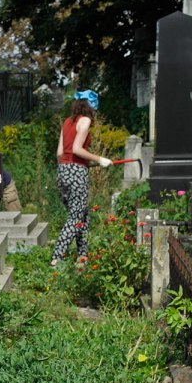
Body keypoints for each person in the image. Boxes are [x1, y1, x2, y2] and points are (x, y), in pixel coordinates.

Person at [50, 89, 114, 267]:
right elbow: (77, 149)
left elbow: (60, 153)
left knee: (82, 215)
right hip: (76, 174)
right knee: (75, 216)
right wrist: (99, 159)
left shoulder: (67, 122)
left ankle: (82, 256)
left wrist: (82, 163)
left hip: (63, 171)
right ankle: (57, 257)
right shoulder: (85, 121)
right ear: (90, 107)